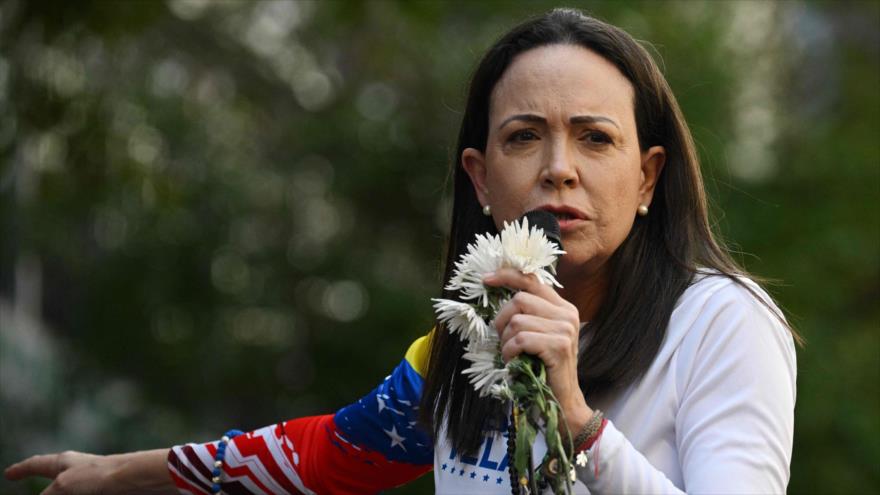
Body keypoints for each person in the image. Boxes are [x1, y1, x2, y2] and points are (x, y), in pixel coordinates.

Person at [4, 8, 798, 494]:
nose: (560, 166)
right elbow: (327, 454)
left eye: (595, 138)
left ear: (649, 175)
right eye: (526, 137)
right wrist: (121, 473)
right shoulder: (468, 340)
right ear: (481, 179)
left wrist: (578, 420)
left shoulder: (721, 324)